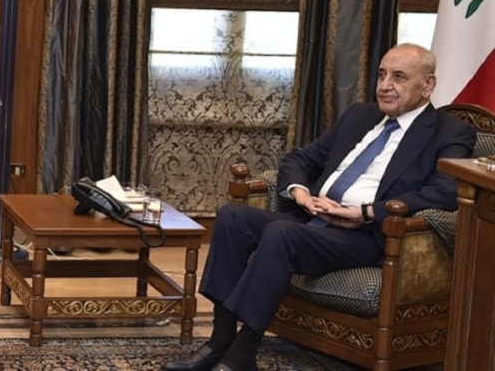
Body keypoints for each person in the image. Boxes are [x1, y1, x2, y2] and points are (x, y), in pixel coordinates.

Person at [162, 43, 476, 371]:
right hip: (311, 218)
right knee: (231, 217)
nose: (384, 85)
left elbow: (444, 193)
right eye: (382, 75)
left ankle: (242, 354)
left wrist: (366, 212)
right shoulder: (361, 116)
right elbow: (301, 158)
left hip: (365, 234)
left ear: (428, 85)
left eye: (399, 77)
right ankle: (219, 341)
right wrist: (299, 193)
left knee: (281, 233)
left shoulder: (450, 132)